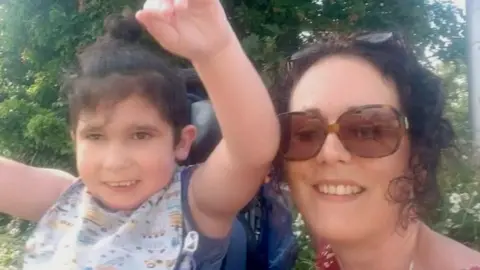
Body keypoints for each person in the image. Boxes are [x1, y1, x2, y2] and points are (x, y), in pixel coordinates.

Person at [10, 0, 279, 269]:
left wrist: (216, 50)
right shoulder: (65, 197)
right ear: (75, 140)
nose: (115, 162)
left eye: (140, 135)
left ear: (182, 141)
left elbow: (251, 152)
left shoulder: (195, 205)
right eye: (94, 136)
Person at [270, 31, 480, 270]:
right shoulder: (333, 258)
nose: (329, 153)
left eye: (367, 132)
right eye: (305, 133)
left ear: (418, 152)